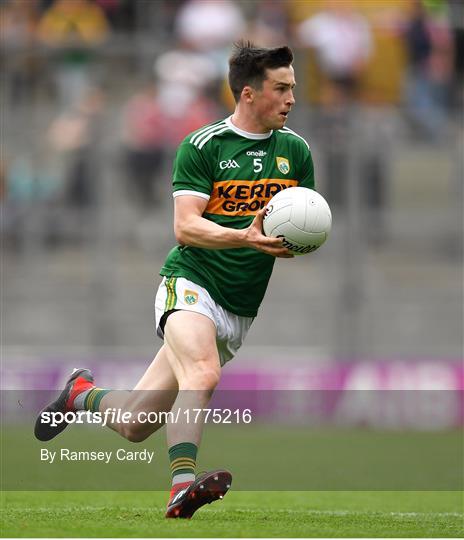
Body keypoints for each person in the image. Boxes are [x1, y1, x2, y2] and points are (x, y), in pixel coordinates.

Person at [34, 41, 316, 519]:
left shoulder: (296, 152)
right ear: (248, 93)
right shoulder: (203, 145)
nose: (292, 98)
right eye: (282, 88)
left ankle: (82, 394)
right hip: (190, 280)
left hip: (238, 305)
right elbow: (185, 226)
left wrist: (294, 241)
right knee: (203, 372)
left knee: (135, 423)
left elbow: (296, 225)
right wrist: (245, 238)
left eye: (294, 88)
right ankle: (181, 488)